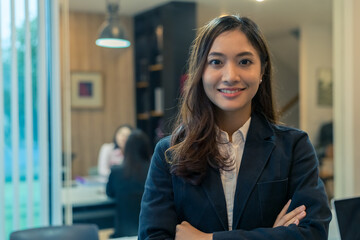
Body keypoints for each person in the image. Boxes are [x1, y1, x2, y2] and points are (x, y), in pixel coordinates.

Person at [138, 15, 331, 240]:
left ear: (262, 71)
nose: (230, 76)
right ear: (201, 71)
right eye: (216, 62)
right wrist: (275, 234)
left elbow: (313, 234)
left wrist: (207, 239)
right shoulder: (169, 154)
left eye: (244, 62)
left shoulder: (294, 147)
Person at [106, 129, 152, 238]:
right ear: (146, 148)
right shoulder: (153, 171)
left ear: (127, 148)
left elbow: (109, 193)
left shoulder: (116, 171)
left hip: (123, 232)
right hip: (148, 231)